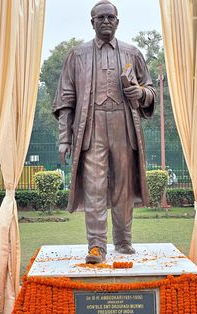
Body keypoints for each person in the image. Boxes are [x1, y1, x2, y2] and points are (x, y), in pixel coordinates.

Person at [52, 0, 156, 264]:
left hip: (124, 125)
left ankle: (123, 240)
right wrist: (64, 138)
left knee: (122, 185)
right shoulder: (78, 55)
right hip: (91, 126)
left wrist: (141, 93)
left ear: (118, 22)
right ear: (92, 22)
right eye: (101, 18)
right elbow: (65, 99)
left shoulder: (132, 53)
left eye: (111, 17)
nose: (106, 21)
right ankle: (96, 246)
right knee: (95, 187)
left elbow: (152, 90)